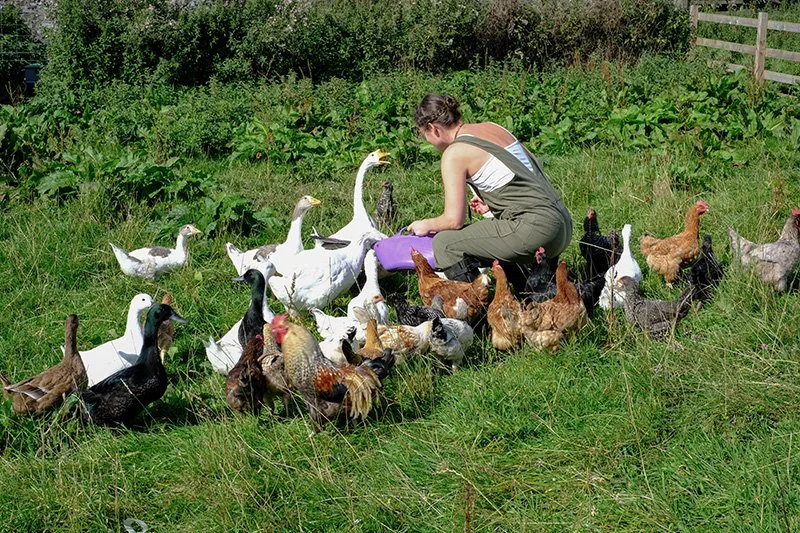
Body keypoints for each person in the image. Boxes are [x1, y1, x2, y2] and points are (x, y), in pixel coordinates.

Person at [408, 93, 573, 282]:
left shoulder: (454, 153)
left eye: (424, 135)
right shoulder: (492, 128)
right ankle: (530, 292)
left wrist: (425, 225)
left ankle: (473, 306)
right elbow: (528, 169)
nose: (427, 140)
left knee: (445, 244)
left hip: (538, 230)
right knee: (495, 229)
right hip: (562, 223)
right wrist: (494, 200)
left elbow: (453, 221)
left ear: (433, 128)